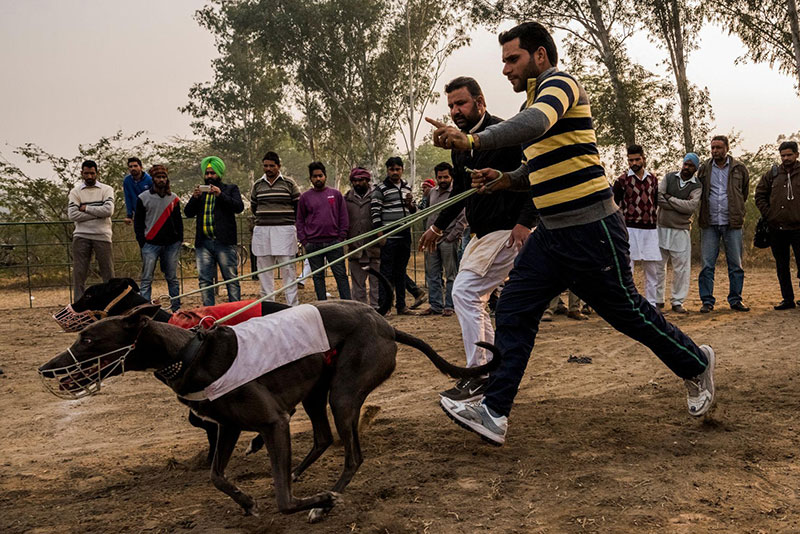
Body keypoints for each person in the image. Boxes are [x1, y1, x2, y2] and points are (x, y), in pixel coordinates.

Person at [427, 21, 715, 446]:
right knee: (514, 311)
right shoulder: (533, 96)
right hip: (552, 235)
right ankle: (494, 411)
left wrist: (472, 143)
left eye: (512, 58)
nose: (506, 68)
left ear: (539, 56)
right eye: (504, 60)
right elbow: (538, 166)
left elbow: (534, 123)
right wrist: (505, 179)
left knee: (629, 314)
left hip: (591, 229)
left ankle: (696, 363)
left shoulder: (559, 85)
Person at [419, 75, 535, 402]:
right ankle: (492, 371)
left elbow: (534, 177)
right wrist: (438, 227)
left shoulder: (504, 135)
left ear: (480, 102)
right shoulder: (459, 147)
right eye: (451, 105)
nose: (455, 110)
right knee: (473, 297)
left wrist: (526, 223)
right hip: (481, 234)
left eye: (461, 103)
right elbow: (458, 191)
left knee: (465, 291)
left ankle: (479, 374)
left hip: (508, 229)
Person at [697, 135, 750, 312]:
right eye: (712, 148)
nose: (715, 151)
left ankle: (735, 300)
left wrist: (737, 211)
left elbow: (744, 192)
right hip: (710, 222)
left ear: (727, 148)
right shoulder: (704, 168)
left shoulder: (739, 168)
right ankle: (707, 301)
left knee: (735, 265)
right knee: (707, 265)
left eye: (718, 148)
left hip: (732, 222)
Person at [184, 156, 244, 306]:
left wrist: (220, 195)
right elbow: (188, 213)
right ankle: (209, 314)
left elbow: (239, 207)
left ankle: (235, 311)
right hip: (203, 243)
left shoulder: (231, 189)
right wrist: (194, 198)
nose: (209, 176)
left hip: (224, 241)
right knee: (205, 280)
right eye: (207, 173)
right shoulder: (200, 194)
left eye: (212, 173)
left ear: (219, 174)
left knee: (230, 278)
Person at [249, 152, 301, 306]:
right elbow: (254, 207)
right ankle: (268, 307)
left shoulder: (289, 184)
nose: (268, 168)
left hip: (285, 230)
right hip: (263, 231)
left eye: (272, 165)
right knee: (264, 272)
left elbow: (298, 206)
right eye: (265, 165)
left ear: (278, 166)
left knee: (288, 270)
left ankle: (292, 306)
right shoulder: (257, 185)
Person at [613, 145, 662, 307]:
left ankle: (652, 303)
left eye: (637, 159)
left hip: (650, 229)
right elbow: (615, 205)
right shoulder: (621, 181)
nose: (633, 163)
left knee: (652, 269)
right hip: (629, 228)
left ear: (643, 158)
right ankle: (628, 303)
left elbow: (655, 202)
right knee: (629, 268)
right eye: (630, 160)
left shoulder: (653, 179)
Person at [755, 141, 800, 310]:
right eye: (783, 155)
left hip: (798, 228)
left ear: (796, 154)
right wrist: (769, 214)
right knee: (782, 266)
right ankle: (787, 299)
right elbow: (759, 195)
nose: (786, 158)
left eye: (789, 155)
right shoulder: (772, 174)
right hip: (777, 228)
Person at [296, 161, 351, 301]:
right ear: (311, 179)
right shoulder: (305, 197)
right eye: (315, 176)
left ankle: (348, 303)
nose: (318, 179)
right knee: (318, 277)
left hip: (334, 242)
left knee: (341, 275)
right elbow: (300, 220)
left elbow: (343, 217)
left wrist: (341, 237)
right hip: (313, 244)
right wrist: (304, 241)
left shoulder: (336, 194)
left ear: (325, 176)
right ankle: (323, 305)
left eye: (320, 175)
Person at [656, 153, 702, 314]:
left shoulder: (697, 186)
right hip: (661, 226)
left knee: (681, 268)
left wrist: (670, 198)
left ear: (695, 168)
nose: (686, 167)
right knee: (658, 266)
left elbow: (690, 207)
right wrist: (677, 203)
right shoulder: (669, 177)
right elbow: (658, 197)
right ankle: (657, 300)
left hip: (681, 230)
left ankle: (677, 301)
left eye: (690, 165)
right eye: (685, 164)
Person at [133, 164, 183, 311]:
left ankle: (176, 308)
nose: (161, 180)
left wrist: (179, 238)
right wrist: (142, 241)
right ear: (153, 179)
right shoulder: (143, 198)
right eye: (158, 177)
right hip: (150, 243)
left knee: (172, 278)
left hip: (171, 244)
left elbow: (178, 221)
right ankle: (145, 309)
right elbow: (139, 222)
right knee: (147, 278)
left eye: (163, 177)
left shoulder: (173, 198)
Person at [420, 162, 466, 316]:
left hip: (448, 239)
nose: (443, 180)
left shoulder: (457, 193)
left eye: (446, 177)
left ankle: (450, 306)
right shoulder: (432, 192)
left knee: (451, 274)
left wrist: (451, 237)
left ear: (451, 176)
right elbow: (429, 214)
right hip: (432, 240)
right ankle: (435, 305)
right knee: (432, 273)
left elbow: (463, 218)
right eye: (440, 177)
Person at [372, 156, 417, 314]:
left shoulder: (407, 188)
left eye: (397, 169)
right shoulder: (380, 189)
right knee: (386, 272)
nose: (395, 172)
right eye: (392, 169)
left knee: (401, 271)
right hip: (389, 236)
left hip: (405, 234)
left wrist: (411, 205)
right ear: (387, 171)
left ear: (402, 170)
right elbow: (375, 213)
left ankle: (401, 306)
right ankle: (385, 307)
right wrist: (380, 234)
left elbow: (414, 211)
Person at [68, 160, 115, 299]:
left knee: (108, 272)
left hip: (102, 235)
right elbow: (73, 214)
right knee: (79, 272)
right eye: (86, 173)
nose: (89, 176)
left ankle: (111, 302)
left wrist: (86, 208)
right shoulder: (75, 192)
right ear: (82, 173)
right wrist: (97, 214)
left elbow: (108, 210)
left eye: (92, 173)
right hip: (81, 235)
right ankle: (78, 304)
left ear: (97, 173)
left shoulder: (106, 189)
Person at [345, 167, 382, 308]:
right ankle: (361, 310)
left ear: (367, 180)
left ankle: (376, 309)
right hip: (355, 247)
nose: (358, 183)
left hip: (374, 247)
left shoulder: (377, 196)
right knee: (357, 284)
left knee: (376, 282)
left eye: (361, 180)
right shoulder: (347, 198)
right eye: (355, 180)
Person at [122, 157, 152, 226]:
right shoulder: (127, 181)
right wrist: (129, 215)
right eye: (130, 166)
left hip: (150, 214)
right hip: (137, 215)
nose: (133, 168)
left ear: (141, 167)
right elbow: (128, 198)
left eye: (135, 166)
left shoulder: (150, 180)